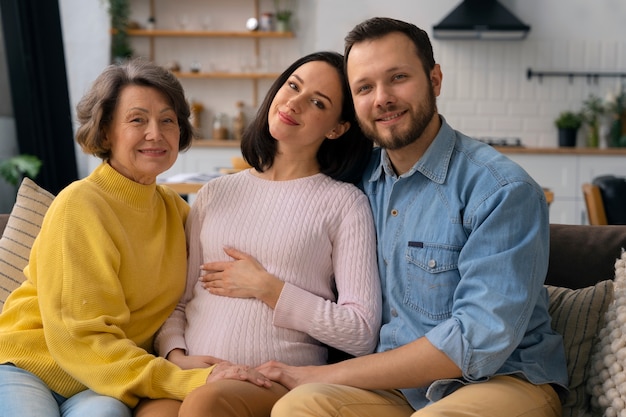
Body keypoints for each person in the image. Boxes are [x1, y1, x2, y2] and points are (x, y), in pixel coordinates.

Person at [258, 17, 569, 417]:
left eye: (398, 77)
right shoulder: (355, 182)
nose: (382, 98)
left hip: (503, 380)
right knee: (299, 408)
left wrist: (330, 375)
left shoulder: (501, 190)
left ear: (435, 80)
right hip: (397, 389)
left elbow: (476, 340)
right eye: (364, 88)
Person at [0, 58, 268, 417]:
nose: (155, 134)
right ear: (106, 131)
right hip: (30, 366)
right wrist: (184, 378)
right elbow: (80, 339)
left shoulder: (177, 212)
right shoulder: (79, 205)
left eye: (167, 120)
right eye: (137, 119)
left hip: (101, 381)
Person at [133, 51, 382, 417]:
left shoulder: (345, 204)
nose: (293, 102)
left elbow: (360, 332)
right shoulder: (215, 192)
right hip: (197, 375)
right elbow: (181, 301)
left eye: (316, 102)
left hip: (275, 384)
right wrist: (177, 355)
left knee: (206, 405)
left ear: (337, 128)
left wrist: (269, 288)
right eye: (292, 86)